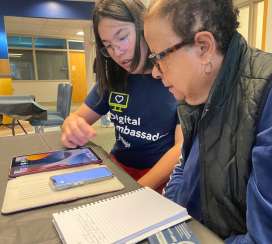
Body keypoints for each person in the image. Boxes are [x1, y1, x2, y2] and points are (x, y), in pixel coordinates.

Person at [144, 0, 272, 242]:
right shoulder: (196, 94)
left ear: (204, 47)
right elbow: (185, 172)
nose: (155, 72)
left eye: (159, 58)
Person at [61, 0, 183, 191]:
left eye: (122, 37)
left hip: (159, 176)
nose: (117, 52)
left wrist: (135, 189)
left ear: (145, 29)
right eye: (108, 45)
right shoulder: (114, 79)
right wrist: (71, 126)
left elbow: (180, 149)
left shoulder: (175, 79)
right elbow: (76, 118)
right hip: (118, 168)